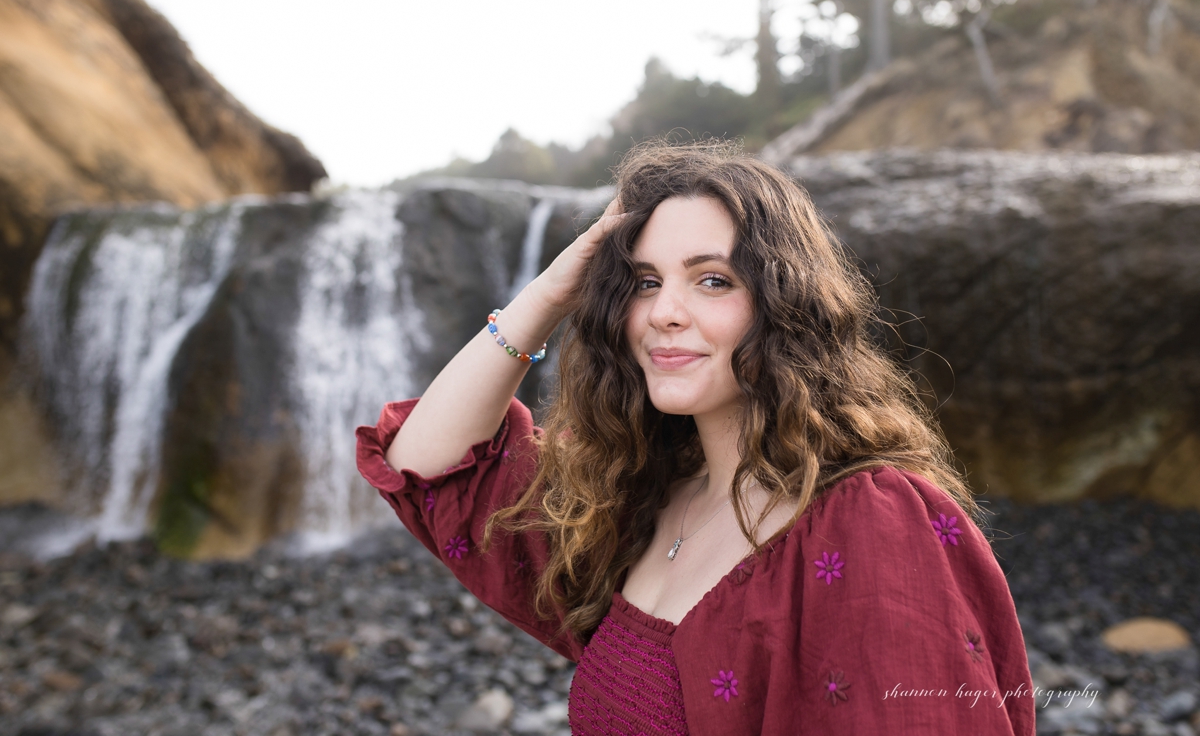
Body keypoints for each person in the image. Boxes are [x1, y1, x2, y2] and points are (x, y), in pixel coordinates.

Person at [356, 141, 1035, 735]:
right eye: (644, 282)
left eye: (713, 280)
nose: (664, 313)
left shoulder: (870, 519)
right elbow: (427, 463)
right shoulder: (639, 503)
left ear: (784, 302)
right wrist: (549, 293)